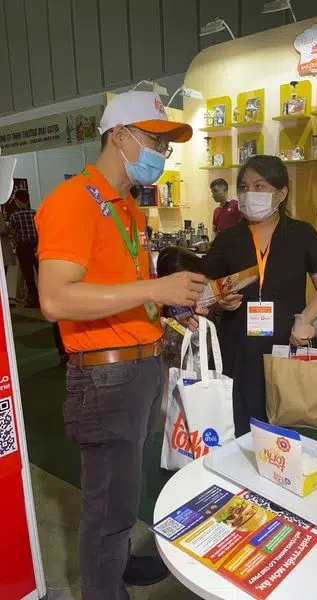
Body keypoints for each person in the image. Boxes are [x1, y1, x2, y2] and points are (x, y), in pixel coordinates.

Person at [35, 90, 207, 600]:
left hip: (139, 366)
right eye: (154, 141)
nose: (161, 154)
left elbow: (120, 291)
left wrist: (173, 307)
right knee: (106, 502)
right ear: (119, 136)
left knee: (123, 488)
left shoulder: (129, 210)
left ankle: (118, 562)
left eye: (165, 145)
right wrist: (155, 290)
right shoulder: (71, 202)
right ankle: (102, 589)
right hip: (105, 375)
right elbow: (55, 299)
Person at [203, 155, 317, 436]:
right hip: (238, 345)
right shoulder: (228, 238)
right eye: (244, 187)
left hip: (289, 340)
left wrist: (306, 319)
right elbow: (206, 289)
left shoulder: (303, 234)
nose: (249, 193)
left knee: (285, 432)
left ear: (282, 193)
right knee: (237, 428)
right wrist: (219, 300)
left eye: (259, 186)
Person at [9, 189, 39, 308]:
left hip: (23, 247)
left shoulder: (14, 216)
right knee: (41, 273)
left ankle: (35, 300)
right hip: (37, 245)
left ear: (17, 200)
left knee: (28, 275)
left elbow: (13, 233)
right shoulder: (35, 213)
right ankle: (48, 297)